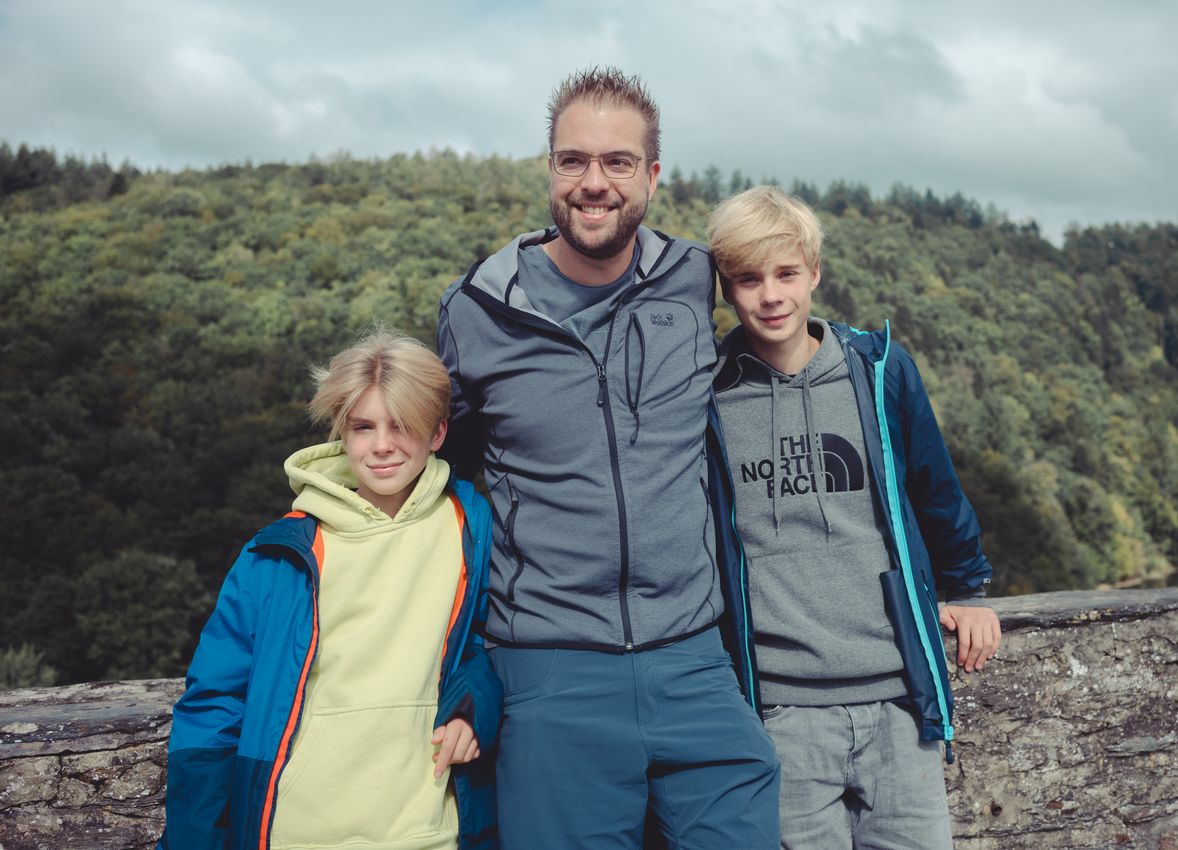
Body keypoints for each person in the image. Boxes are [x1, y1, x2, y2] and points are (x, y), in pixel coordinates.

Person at [436, 66, 779, 849]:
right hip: (551, 673)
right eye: (574, 160)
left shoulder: (693, 278)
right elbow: (429, 470)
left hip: (695, 662)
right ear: (550, 170)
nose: (594, 183)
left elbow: (786, 329)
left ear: (652, 176)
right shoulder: (477, 311)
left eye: (618, 162)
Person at [706, 185, 1002, 849]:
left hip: (899, 701)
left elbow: (935, 489)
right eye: (749, 279)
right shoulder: (708, 396)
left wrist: (968, 589)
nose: (771, 296)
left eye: (786, 274)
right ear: (727, 289)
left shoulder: (878, 371)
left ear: (814, 273)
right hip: (780, 712)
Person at [158, 329, 500, 850]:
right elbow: (213, 705)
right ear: (342, 432)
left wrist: (475, 703)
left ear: (437, 433)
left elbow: (492, 645)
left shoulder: (471, 528)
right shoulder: (278, 555)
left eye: (402, 424)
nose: (381, 445)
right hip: (298, 833)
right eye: (363, 427)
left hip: (433, 831)